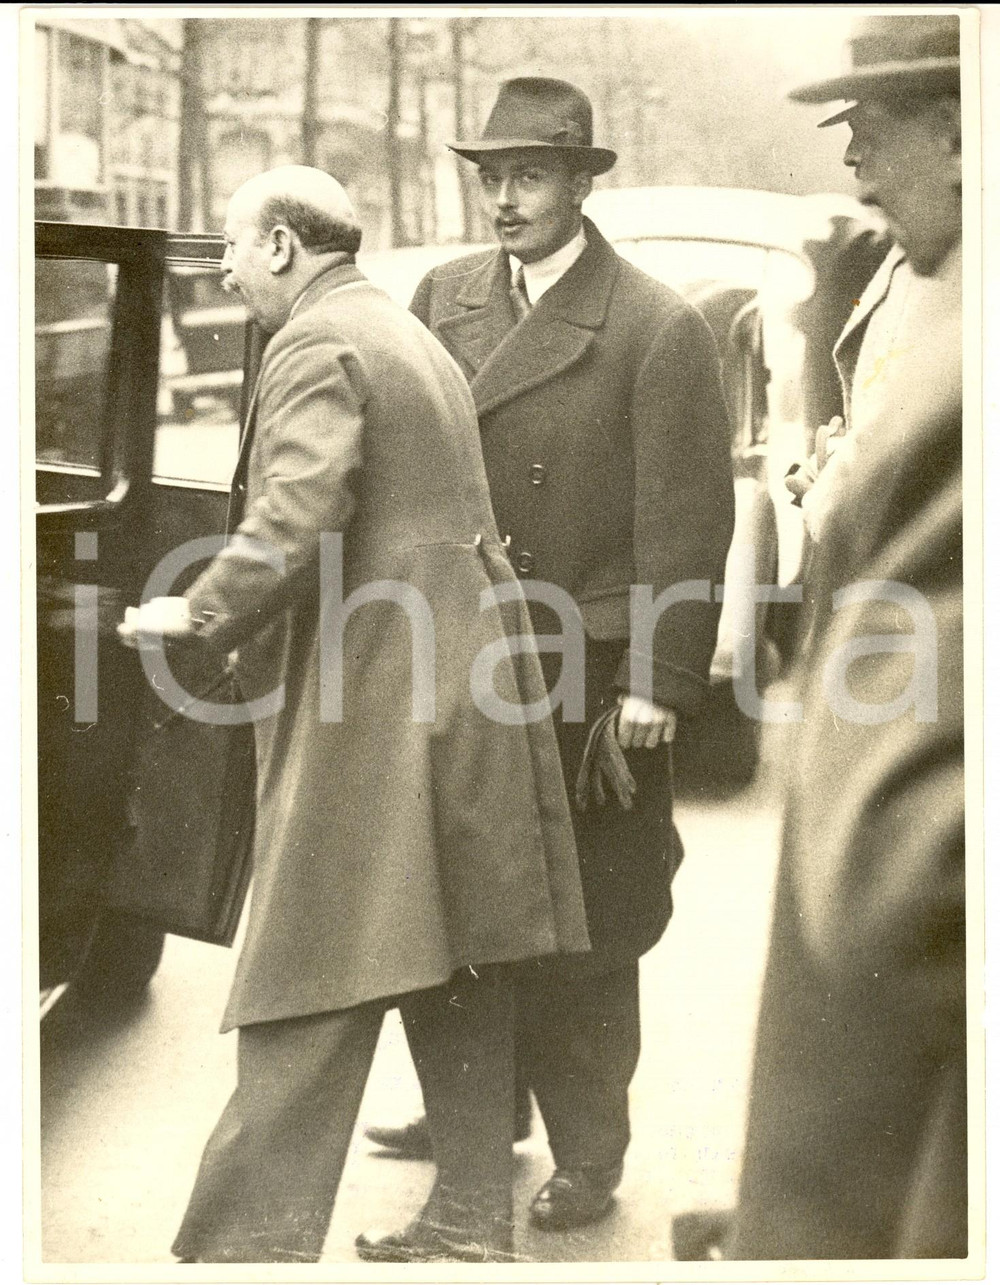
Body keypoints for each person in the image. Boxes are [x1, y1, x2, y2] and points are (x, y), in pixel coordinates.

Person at [118, 165, 592, 1264]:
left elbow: (296, 518)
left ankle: (244, 1249)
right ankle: (469, 1218)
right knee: (458, 959)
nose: (226, 273)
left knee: (309, 966)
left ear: (283, 245)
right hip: (463, 692)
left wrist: (194, 611)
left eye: (233, 248)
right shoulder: (403, 333)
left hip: (383, 706)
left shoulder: (313, 341)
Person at [359, 77, 734, 1249]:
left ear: (580, 184)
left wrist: (656, 680)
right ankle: (482, 1111)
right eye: (491, 177)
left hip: (587, 668)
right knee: (472, 892)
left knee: (591, 921)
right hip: (470, 652)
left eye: (527, 176)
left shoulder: (654, 326)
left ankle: (590, 1151)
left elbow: (688, 521)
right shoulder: (445, 296)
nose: (503, 199)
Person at [675, 14, 966, 1260]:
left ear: (961, 134)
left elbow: (903, 873)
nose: (851, 162)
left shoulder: (968, 355)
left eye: (871, 126)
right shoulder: (922, 287)